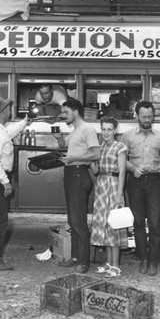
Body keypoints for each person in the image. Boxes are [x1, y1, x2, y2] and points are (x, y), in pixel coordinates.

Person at [0, 94, 30, 271]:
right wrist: (5, 182)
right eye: (8, 108)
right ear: (2, 112)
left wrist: (24, 122)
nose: (10, 110)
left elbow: (9, 132)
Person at [53, 98, 101, 274]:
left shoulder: (88, 129)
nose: (63, 115)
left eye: (65, 112)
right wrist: (59, 140)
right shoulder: (74, 131)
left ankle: (83, 262)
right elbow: (68, 149)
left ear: (75, 111)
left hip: (80, 174)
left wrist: (74, 159)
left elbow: (96, 153)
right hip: (71, 174)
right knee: (72, 220)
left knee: (79, 221)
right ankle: (74, 258)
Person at [121, 100, 160, 276]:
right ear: (137, 116)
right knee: (138, 222)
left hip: (155, 182)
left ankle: (154, 261)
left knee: (155, 223)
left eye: (150, 116)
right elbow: (122, 159)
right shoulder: (128, 136)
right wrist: (133, 168)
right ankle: (143, 259)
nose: (147, 119)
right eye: (143, 116)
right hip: (135, 182)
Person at [89, 116, 128, 278]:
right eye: (103, 129)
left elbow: (123, 171)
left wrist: (119, 194)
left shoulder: (120, 147)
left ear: (115, 130)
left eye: (109, 129)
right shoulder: (100, 147)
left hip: (113, 186)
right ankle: (108, 263)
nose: (106, 132)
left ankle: (116, 266)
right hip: (101, 186)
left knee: (114, 226)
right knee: (103, 225)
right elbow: (96, 170)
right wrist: (88, 157)